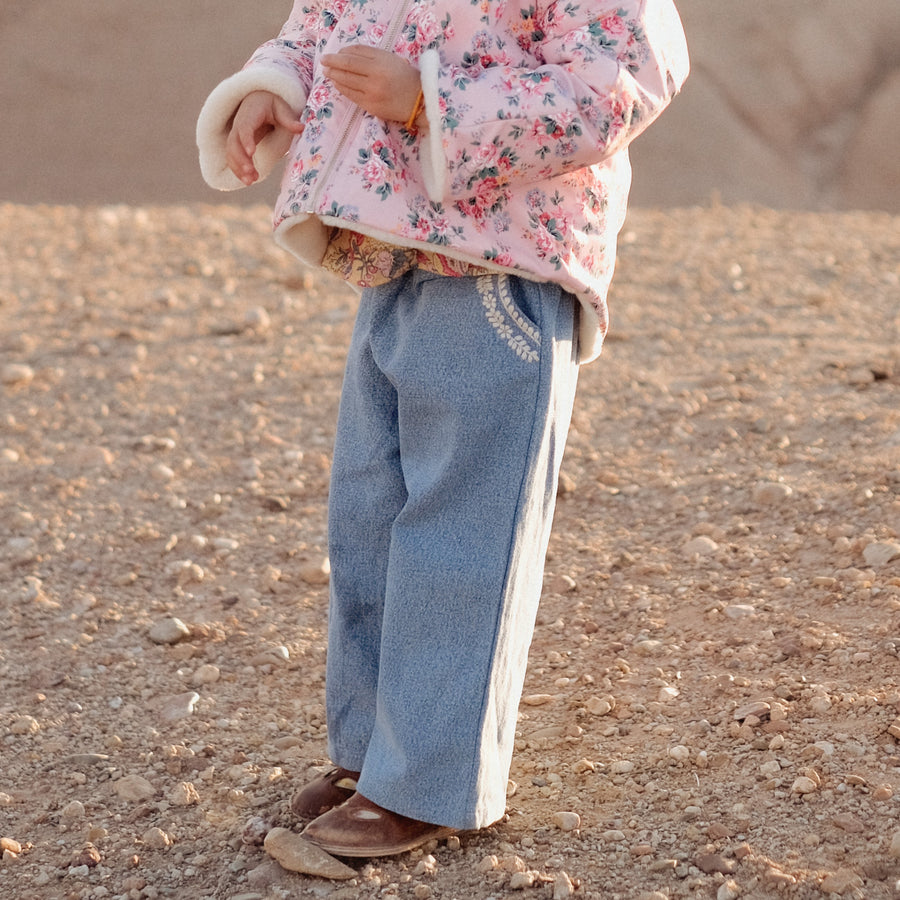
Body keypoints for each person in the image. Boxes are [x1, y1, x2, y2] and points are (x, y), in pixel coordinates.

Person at [198, 0, 688, 858]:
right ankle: (373, 756)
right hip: (393, 252)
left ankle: (428, 781)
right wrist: (282, 82)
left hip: (509, 264)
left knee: (462, 533)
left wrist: (432, 101)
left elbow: (619, 81)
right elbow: (329, 24)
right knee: (371, 515)